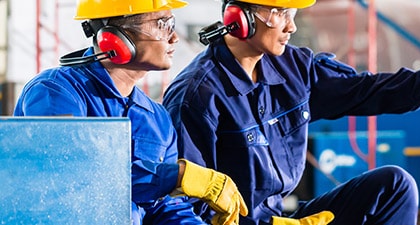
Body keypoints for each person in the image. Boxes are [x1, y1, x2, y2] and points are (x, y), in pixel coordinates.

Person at [162, 0, 420, 224]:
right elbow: (187, 209)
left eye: (292, 13)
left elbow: (367, 90)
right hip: (246, 224)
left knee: (394, 186)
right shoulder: (199, 95)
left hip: (287, 217)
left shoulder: (294, 67)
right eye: (278, 13)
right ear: (237, 17)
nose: (291, 26)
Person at [13, 0, 248, 224]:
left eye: (172, 25)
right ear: (115, 39)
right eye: (162, 25)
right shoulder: (56, 92)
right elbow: (73, 173)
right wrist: (176, 176)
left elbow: (163, 207)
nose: (174, 37)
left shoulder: (156, 118)